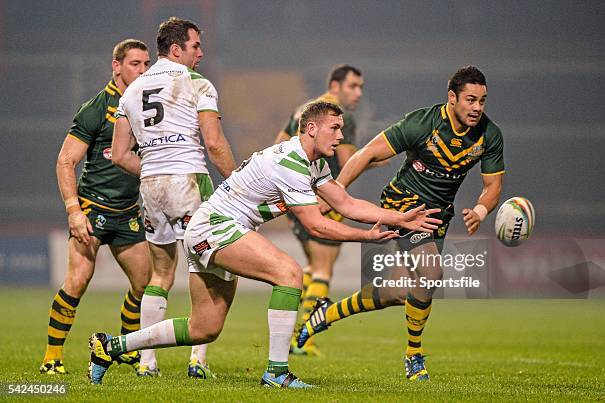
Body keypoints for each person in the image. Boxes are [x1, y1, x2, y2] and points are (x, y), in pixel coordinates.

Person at [88, 101, 442, 387]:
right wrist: (365, 236)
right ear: (311, 128)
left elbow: (346, 204)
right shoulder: (291, 162)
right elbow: (316, 223)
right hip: (216, 227)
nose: (340, 136)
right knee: (289, 273)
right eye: (335, 129)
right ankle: (276, 372)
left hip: (209, 229)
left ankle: (112, 346)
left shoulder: (313, 163)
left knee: (203, 328)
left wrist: (399, 218)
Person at [297, 66, 505, 381]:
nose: (477, 108)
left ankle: (324, 313)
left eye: (482, 101)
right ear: (452, 97)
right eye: (470, 100)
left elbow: (493, 186)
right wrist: (336, 192)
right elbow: (365, 154)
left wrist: (480, 210)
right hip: (404, 203)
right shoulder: (421, 124)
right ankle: (414, 356)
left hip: (438, 214)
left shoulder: (489, 135)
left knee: (398, 292)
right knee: (432, 271)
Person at [111, 17, 236, 379]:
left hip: (150, 186)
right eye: (196, 45)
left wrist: (154, 168)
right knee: (212, 268)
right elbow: (213, 143)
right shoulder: (197, 83)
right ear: (177, 49)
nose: (201, 52)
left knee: (161, 273)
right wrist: (237, 181)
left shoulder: (131, 91)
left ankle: (147, 363)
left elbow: (120, 155)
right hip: (188, 180)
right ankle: (198, 359)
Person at [40, 39, 152, 375]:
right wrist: (74, 211)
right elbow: (65, 161)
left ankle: (127, 348)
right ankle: (51, 358)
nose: (142, 70)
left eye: (146, 64)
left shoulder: (148, 107)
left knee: (143, 281)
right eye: (135, 63)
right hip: (92, 209)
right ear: (116, 66)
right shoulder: (95, 108)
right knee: (77, 281)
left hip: (128, 211)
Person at [274, 65, 369, 355]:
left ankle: (292, 330)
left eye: (360, 87)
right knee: (324, 268)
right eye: (353, 86)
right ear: (335, 85)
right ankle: (304, 338)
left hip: (294, 194)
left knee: (312, 268)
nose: (358, 93)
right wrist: (372, 158)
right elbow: (348, 159)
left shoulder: (304, 110)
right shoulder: (339, 117)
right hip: (323, 197)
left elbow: (278, 145)